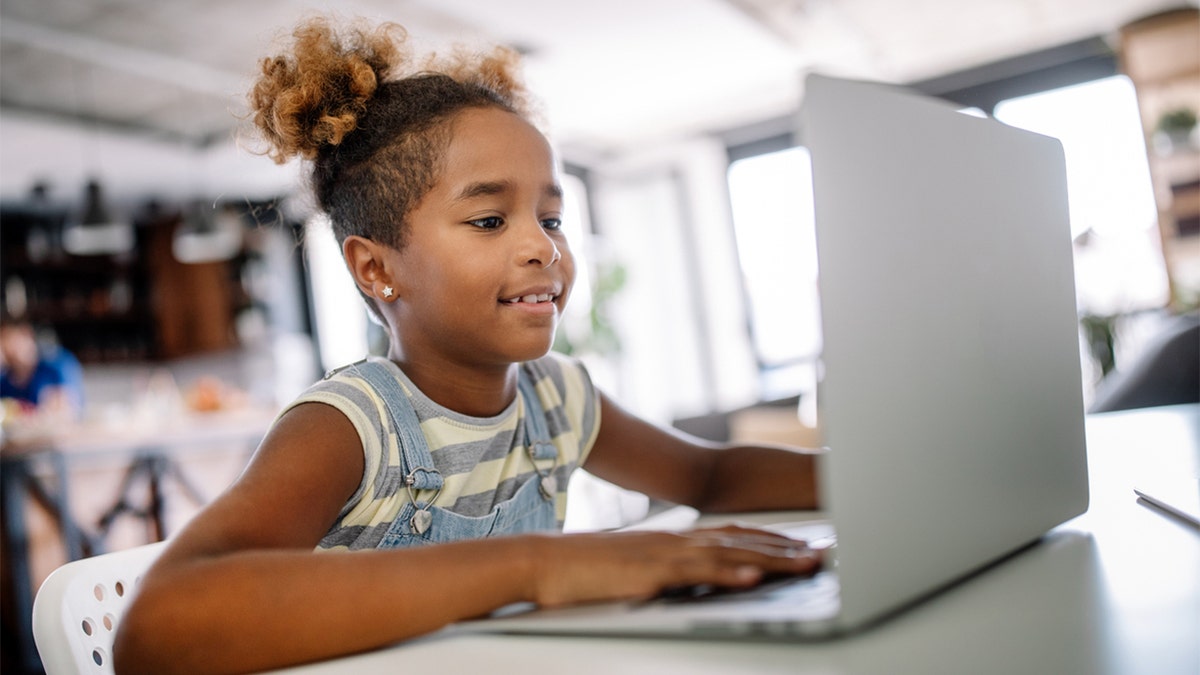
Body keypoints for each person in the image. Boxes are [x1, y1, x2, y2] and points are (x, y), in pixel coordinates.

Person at [114, 17, 823, 675]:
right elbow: (156, 625)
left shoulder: (556, 397)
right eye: (489, 220)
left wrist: (887, 479)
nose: (543, 246)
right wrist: (537, 566)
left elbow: (709, 478)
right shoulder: (350, 425)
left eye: (552, 216)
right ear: (376, 268)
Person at [0, 317, 84, 417]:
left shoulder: (55, 364)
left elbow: (68, 408)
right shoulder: (4, 379)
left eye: (8, 339)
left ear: (26, 334)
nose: (6, 347)